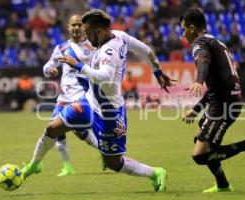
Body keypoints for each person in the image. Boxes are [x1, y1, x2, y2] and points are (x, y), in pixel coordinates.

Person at [22, 9, 176, 192]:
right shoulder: (121, 36)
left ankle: (155, 172)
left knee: (113, 162)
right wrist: (157, 71)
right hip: (88, 103)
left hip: (109, 113)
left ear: (99, 31)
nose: (86, 36)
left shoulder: (107, 51)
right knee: (52, 128)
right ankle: (34, 165)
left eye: (88, 32)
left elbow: (105, 77)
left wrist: (78, 65)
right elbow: (146, 51)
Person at [181, 8, 245, 193]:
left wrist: (198, 80)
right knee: (202, 140)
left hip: (224, 105)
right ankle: (223, 184)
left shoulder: (200, 43)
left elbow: (203, 62)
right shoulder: (216, 42)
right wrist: (197, 109)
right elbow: (217, 83)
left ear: (192, 28)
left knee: (200, 155)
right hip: (224, 100)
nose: (183, 34)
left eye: (184, 29)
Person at [42, 14, 99, 176]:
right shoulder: (61, 48)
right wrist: (49, 70)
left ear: (84, 27)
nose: (76, 28)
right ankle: (67, 167)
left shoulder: (92, 47)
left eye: (79, 25)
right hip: (63, 98)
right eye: (73, 24)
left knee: (82, 133)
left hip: (82, 97)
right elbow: (47, 65)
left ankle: (105, 152)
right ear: (68, 27)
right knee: (54, 130)